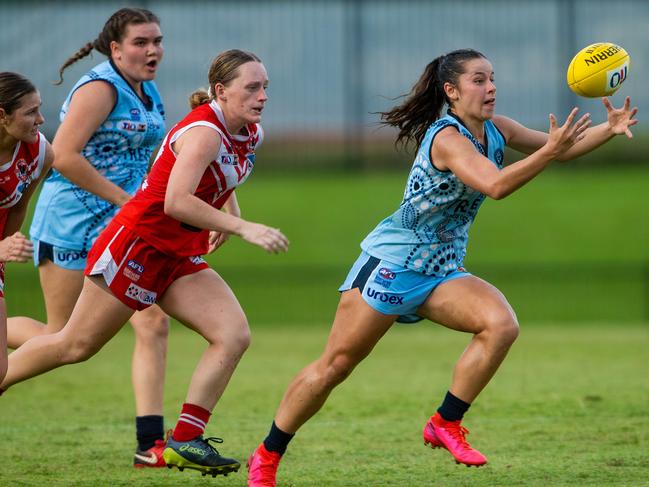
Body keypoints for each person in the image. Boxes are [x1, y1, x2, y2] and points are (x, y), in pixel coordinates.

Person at [246, 48, 638, 485]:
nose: (490, 88)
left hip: (440, 270)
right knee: (335, 366)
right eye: (478, 80)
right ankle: (267, 453)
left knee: (500, 324)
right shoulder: (447, 139)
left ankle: (445, 422)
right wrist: (549, 152)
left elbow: (561, 150)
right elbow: (496, 184)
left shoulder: (496, 129)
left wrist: (610, 127)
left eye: (492, 78)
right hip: (391, 266)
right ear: (451, 91)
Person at [0, 48, 288, 478]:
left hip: (176, 252)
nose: (262, 95)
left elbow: (222, 175)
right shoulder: (203, 132)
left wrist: (233, 215)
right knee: (74, 344)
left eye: (265, 86)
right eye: (252, 87)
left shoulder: (248, 132)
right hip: (137, 246)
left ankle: (185, 439)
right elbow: (175, 201)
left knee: (233, 335)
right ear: (221, 91)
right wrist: (243, 228)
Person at [5, 8, 171, 468]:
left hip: (123, 228)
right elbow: (63, 156)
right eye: (141, 42)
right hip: (72, 223)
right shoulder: (101, 88)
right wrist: (126, 200)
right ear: (115, 48)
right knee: (61, 337)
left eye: (157, 40)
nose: (153, 49)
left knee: (152, 321)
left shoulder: (147, 88)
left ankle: (149, 445)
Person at [0, 72, 54, 385]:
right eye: (30, 112)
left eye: (40, 108)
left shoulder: (41, 154)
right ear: (2, 116)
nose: (41, 119)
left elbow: (18, 207)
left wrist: (6, 249)